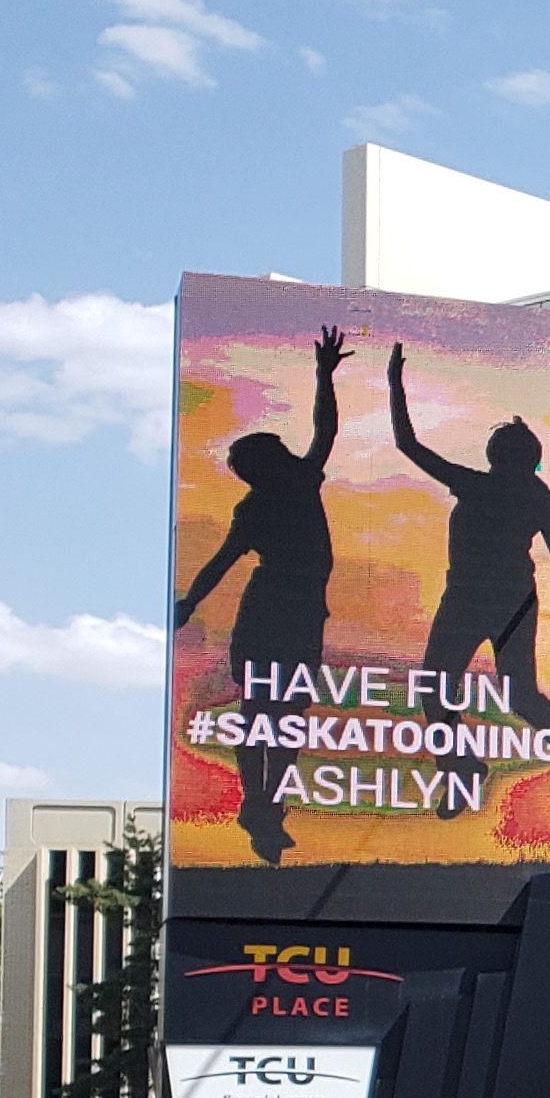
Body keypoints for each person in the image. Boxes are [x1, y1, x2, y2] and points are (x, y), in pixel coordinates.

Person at [175, 326, 350, 865]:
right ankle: (258, 801)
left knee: (287, 715)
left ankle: (267, 806)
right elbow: (221, 563)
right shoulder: (266, 500)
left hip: (300, 616)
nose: (283, 446)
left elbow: (326, 429)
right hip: (270, 615)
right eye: (273, 446)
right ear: (262, 464)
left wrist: (324, 375)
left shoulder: (298, 479)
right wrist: (187, 604)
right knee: (262, 714)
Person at [388, 343, 550, 801]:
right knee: (495, 693)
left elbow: (408, 444)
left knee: (441, 689)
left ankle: (471, 764)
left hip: (486, 600)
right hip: (496, 598)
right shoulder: (530, 493)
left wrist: (395, 383)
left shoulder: (485, 486)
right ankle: (465, 766)